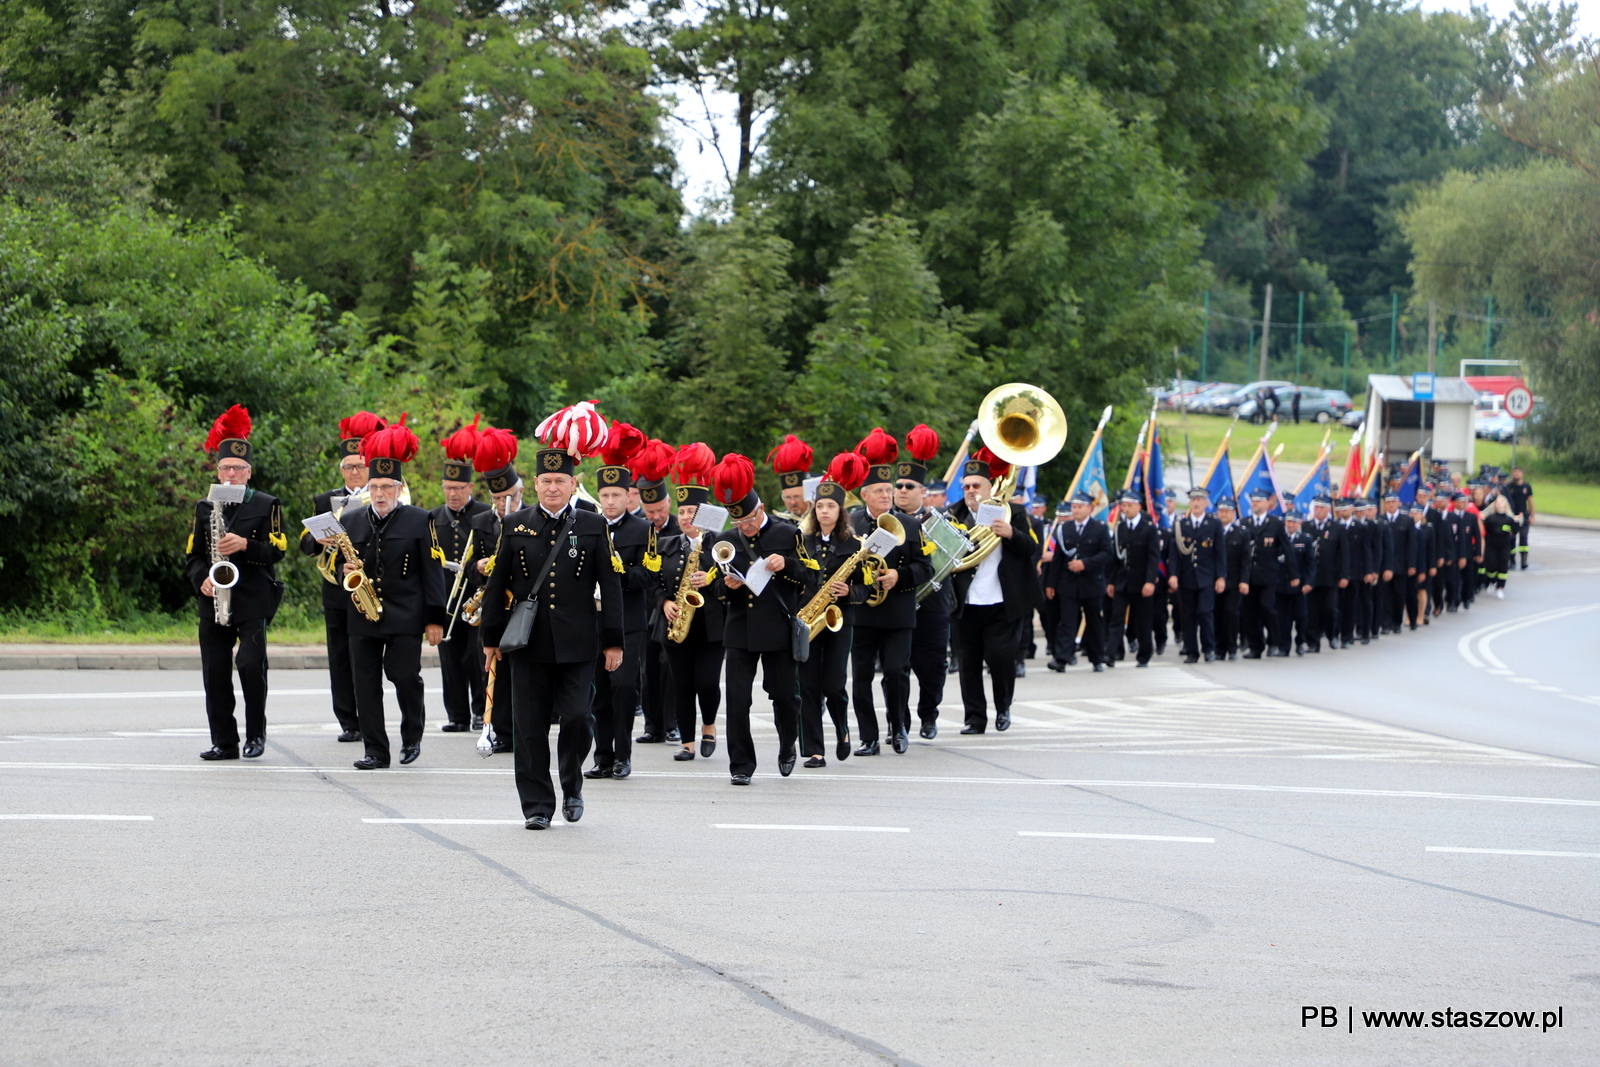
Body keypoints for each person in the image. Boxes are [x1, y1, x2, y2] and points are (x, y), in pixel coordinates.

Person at [480, 429, 624, 830]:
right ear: (536, 484)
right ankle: (537, 806)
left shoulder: (594, 526)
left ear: (573, 484)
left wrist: (614, 642)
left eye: (561, 480)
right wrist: (490, 640)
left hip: (578, 644)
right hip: (527, 644)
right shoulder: (515, 525)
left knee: (578, 717)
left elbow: (610, 589)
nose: (553, 487)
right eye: (546, 481)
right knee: (529, 729)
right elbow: (496, 587)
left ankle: (572, 783)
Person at [341, 421, 447, 770]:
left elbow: (432, 572)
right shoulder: (353, 519)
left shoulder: (420, 519)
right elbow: (345, 562)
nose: (381, 493)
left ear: (399, 488)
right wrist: (348, 571)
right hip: (363, 613)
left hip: (405, 613)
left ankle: (412, 734)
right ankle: (376, 750)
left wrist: (435, 619)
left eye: (387, 487)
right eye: (374, 487)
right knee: (365, 684)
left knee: (403, 676)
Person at [187, 405, 286, 761]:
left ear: (248, 473)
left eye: (238, 469)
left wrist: (246, 545)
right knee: (215, 672)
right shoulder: (204, 507)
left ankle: (255, 735)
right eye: (225, 468)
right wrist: (202, 580)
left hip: (253, 597)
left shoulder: (267, 504)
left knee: (249, 664)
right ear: (217, 471)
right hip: (214, 598)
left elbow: (278, 550)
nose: (231, 474)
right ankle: (223, 741)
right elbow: (193, 556)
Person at [708, 454, 806, 785]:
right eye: (739, 523)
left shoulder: (787, 532)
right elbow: (717, 586)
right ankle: (741, 764)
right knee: (737, 699)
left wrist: (787, 565)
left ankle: (787, 744)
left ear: (760, 509)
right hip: (739, 630)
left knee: (784, 696)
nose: (745, 528)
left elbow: (810, 575)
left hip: (777, 627)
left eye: (749, 520)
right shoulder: (726, 541)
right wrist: (728, 586)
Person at [299, 411, 384, 742]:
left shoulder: (381, 497)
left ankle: (369, 718)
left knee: (364, 656)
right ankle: (348, 721)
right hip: (336, 587)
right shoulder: (325, 500)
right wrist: (317, 539)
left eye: (360, 465)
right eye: (349, 466)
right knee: (338, 656)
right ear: (341, 470)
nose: (355, 472)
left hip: (366, 586)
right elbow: (306, 544)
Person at [946, 447, 1041, 733]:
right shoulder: (953, 515)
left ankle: (1003, 707)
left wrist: (1011, 533)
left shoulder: (1013, 511)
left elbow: (1031, 548)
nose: (971, 491)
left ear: (990, 487)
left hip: (1002, 600)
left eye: (977, 486)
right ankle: (975, 718)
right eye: (966, 486)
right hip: (966, 602)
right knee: (969, 663)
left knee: (1001, 659)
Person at [849, 428, 930, 755]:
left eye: (889, 490)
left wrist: (899, 575)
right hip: (862, 610)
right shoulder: (851, 523)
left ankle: (898, 728)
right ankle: (868, 736)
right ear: (865, 495)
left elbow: (926, 568)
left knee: (897, 671)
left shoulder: (910, 525)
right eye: (879, 491)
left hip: (897, 611)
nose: (887, 495)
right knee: (861, 675)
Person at [583, 426, 654, 781]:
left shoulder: (642, 531)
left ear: (629, 496)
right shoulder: (588, 527)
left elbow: (648, 577)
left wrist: (617, 570)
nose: (610, 501)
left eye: (617, 495)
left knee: (624, 688)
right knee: (598, 693)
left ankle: (623, 755)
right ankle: (603, 756)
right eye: (605, 495)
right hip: (593, 620)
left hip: (628, 620)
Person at [798, 454, 870, 767]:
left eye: (831, 507)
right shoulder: (801, 541)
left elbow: (869, 588)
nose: (825, 511)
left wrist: (850, 591)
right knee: (808, 685)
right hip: (808, 619)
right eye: (820, 506)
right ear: (814, 510)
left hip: (840, 621)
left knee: (834, 685)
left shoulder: (856, 545)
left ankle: (842, 729)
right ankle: (815, 749)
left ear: (840, 511)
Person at [656, 444, 725, 762]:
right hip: (676, 625)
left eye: (691, 513)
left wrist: (711, 579)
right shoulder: (666, 544)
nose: (685, 517)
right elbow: (653, 583)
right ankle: (687, 742)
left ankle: (709, 726)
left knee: (707, 682)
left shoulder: (720, 544)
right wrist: (664, 603)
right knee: (682, 684)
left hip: (711, 626)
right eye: (681, 512)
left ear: (704, 514)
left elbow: (734, 579)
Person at [433, 417, 491, 733]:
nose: (452, 494)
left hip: (476, 593)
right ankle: (455, 714)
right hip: (445, 594)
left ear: (470, 487)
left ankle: (480, 711)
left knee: (475, 656)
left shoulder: (483, 514)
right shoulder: (433, 517)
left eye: (458, 488)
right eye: (447, 488)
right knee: (449, 658)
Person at [467, 425, 523, 749]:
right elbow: (469, 568)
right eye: (496, 498)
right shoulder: (482, 523)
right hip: (494, 605)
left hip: (524, 605)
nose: (502, 503)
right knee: (493, 667)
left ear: (519, 492)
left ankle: (520, 728)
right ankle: (499, 730)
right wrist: (478, 566)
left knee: (521, 672)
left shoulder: (530, 517)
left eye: (507, 497)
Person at [896, 425, 951, 739]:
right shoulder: (884, 520)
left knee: (932, 668)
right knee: (896, 669)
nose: (902, 490)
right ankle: (899, 722)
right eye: (899, 485)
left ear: (922, 492)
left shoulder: (941, 521)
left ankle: (928, 715)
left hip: (933, 604)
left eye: (909, 486)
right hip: (895, 604)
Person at [631, 437, 682, 745]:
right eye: (649, 512)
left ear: (668, 504)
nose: (655, 517)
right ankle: (652, 725)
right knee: (648, 667)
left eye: (659, 510)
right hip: (646, 606)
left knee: (670, 669)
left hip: (672, 606)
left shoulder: (679, 527)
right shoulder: (640, 530)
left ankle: (672, 722)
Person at [1044, 491, 1112, 671]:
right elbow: (1058, 558)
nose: (1075, 510)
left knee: (1094, 622)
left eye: (1079, 507)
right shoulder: (1065, 528)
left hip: (1092, 583)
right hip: (1068, 584)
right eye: (1074, 507)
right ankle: (1062, 659)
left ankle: (1097, 658)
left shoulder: (1100, 527)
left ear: (1090, 508)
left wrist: (1085, 564)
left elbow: (1107, 553)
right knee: (1067, 622)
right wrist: (1051, 584)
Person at [1167, 488, 1226, 664]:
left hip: (1207, 577)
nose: (1196, 503)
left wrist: (1221, 576)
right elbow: (1175, 552)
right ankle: (1192, 651)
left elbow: (1220, 553)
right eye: (1193, 500)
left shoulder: (1214, 524)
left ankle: (1209, 648)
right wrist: (1173, 575)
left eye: (1199, 500)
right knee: (1189, 615)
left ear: (1206, 503)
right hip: (1187, 577)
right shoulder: (1180, 524)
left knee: (1205, 612)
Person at [1105, 489, 1161, 668]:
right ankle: (1112, 654)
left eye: (1129, 505)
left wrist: (1150, 581)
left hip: (1142, 582)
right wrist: (1111, 581)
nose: (1125, 509)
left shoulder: (1149, 528)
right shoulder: (1120, 527)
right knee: (1116, 618)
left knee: (1143, 621)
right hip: (1122, 581)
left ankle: (1144, 654)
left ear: (1139, 506)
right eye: (1123, 506)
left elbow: (1153, 557)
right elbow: (1116, 557)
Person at [1240, 487, 1295, 658]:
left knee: (1268, 607)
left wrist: (1294, 575)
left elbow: (1287, 549)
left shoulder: (1276, 523)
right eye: (1253, 500)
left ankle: (1273, 642)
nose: (1255, 503)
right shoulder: (1245, 523)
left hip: (1269, 576)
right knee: (1250, 612)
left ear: (1267, 504)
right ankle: (1256, 646)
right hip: (1248, 576)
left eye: (1258, 500)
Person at [1303, 494, 1350, 651]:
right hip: (1311, 577)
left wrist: (1344, 575)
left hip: (1330, 576)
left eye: (1322, 507)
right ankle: (1313, 642)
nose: (1319, 510)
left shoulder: (1337, 528)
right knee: (1311, 610)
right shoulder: (1306, 527)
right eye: (1316, 507)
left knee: (1330, 609)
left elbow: (1344, 554)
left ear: (1329, 509)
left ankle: (1332, 634)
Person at [1214, 498, 1250, 660]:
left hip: (1234, 582)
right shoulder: (1212, 531)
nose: (1223, 514)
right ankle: (1219, 648)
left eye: (1227, 511)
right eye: (1221, 511)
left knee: (1231, 613)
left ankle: (1232, 646)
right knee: (1217, 614)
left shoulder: (1241, 533)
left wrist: (1244, 580)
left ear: (1233, 514)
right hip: (1214, 581)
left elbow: (1245, 560)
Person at [1279, 510, 1315, 655]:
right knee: (1283, 618)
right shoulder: (1280, 538)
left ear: (1299, 523)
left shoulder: (1305, 539)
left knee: (1300, 616)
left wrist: (1308, 583)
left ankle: (1301, 641)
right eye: (1288, 522)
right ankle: (1284, 646)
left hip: (1300, 586)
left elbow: (1310, 564)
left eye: (1294, 522)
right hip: (1282, 584)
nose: (1291, 525)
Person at [768, 434, 815, 524]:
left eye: (797, 496)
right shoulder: (776, 524)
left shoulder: (822, 520)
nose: (792, 502)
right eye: (787, 497)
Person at [1481, 494, 1519, 598]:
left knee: (1503, 566)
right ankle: (1491, 581)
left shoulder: (1509, 519)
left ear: (1505, 505)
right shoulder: (1490, 518)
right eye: (1497, 502)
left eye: (1502, 502)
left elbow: (1514, 531)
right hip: (1491, 545)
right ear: (1495, 505)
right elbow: (1485, 530)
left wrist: (1516, 522)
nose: (1499, 503)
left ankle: (1500, 588)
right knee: (1491, 566)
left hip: (1504, 546)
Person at [1504, 468, 1534, 569]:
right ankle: (1511, 560)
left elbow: (1530, 502)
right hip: (1512, 516)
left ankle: (1523, 560)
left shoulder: (1527, 486)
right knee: (1511, 538)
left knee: (1524, 538)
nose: (1515, 474)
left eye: (1518, 472)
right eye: (1514, 472)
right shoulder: (1509, 487)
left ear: (1522, 474)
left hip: (1523, 516)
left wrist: (1532, 516)